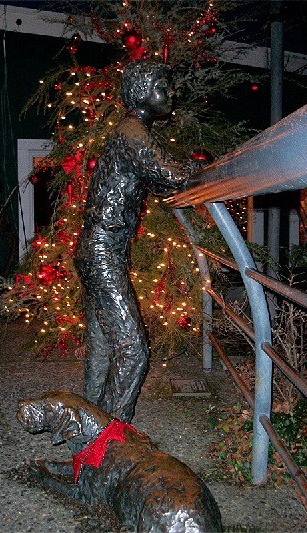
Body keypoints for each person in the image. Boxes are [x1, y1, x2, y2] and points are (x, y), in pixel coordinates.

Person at [74, 61, 190, 422]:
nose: (170, 93)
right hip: (102, 250)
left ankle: (89, 429)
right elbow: (167, 173)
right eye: (162, 85)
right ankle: (109, 445)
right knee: (132, 350)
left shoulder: (128, 131)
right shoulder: (132, 130)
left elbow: (150, 178)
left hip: (97, 248)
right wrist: (201, 170)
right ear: (141, 91)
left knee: (101, 350)